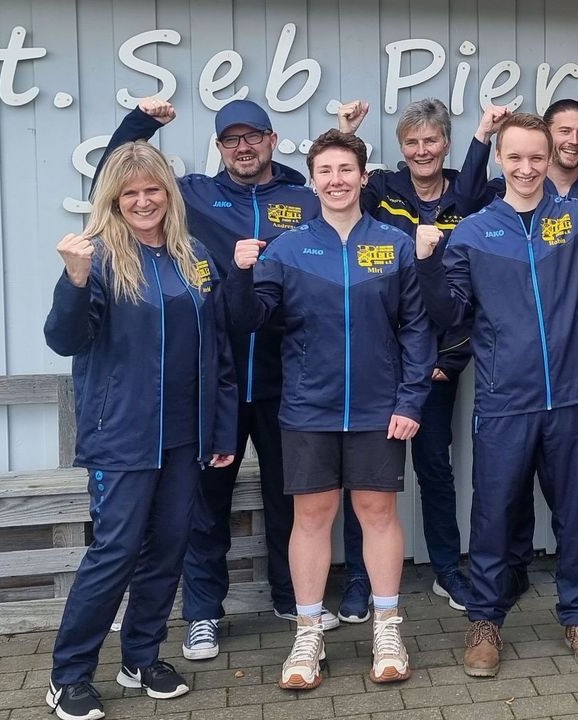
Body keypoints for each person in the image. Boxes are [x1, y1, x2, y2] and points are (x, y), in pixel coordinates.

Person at [417, 113, 578, 678]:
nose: (526, 169)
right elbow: (450, 314)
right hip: (506, 399)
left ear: (550, 159)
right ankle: (485, 621)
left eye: (536, 157)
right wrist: (427, 263)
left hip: (575, 395)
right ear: (500, 161)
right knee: (493, 515)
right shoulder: (475, 231)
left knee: (576, 513)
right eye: (515, 158)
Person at [99, 97, 334, 661]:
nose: (243, 147)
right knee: (205, 504)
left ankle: (288, 596)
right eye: (231, 139)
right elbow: (117, 177)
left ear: (273, 141)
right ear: (220, 147)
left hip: (288, 379)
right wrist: (143, 124)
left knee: (292, 497)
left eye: (253, 137)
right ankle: (202, 612)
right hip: (213, 382)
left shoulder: (303, 199)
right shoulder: (196, 195)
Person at [227, 130, 435, 690]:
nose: (337, 180)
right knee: (312, 519)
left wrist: (410, 398)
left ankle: (388, 627)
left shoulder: (393, 244)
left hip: (378, 410)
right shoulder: (288, 249)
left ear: (363, 177)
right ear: (312, 180)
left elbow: (416, 329)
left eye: (347, 169)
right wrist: (242, 273)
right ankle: (307, 633)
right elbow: (252, 319)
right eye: (325, 171)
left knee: (377, 515)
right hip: (307, 408)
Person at [43, 141, 238, 720]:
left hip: (185, 436)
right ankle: (69, 675)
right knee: (116, 552)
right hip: (122, 435)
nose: (143, 200)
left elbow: (219, 350)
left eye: (152, 189)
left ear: (168, 194)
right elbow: (65, 339)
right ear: (113, 200)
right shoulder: (99, 258)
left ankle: (140, 657)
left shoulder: (193, 255)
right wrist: (73, 282)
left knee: (169, 549)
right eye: (130, 193)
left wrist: (222, 430)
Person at [329, 97, 504, 618]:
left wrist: (484, 136)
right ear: (401, 148)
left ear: (446, 144)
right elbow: (342, 181)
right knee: (366, 478)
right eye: (412, 142)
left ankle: (448, 570)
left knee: (435, 467)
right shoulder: (382, 188)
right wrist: (346, 133)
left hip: (438, 361)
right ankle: (360, 579)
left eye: (431, 141)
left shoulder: (475, 194)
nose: (422, 150)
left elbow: (471, 287)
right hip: (381, 363)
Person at [489, 99, 578, 608]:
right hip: (520, 371)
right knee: (516, 475)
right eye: (563, 131)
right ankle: (517, 564)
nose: (573, 140)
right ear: (544, 140)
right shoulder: (513, 190)